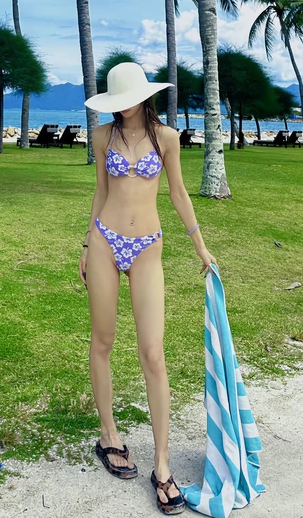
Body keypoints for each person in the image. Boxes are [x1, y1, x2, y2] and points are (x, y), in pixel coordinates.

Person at [79, 62, 217, 515]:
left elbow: (178, 193)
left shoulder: (167, 137)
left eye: (129, 99)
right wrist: (87, 244)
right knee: (102, 341)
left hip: (146, 247)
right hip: (105, 239)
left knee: (153, 353)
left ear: (144, 96)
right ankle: (108, 436)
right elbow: (101, 192)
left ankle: (162, 464)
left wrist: (200, 246)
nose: (124, 108)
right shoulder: (102, 136)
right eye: (116, 101)